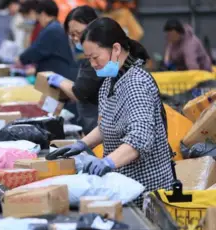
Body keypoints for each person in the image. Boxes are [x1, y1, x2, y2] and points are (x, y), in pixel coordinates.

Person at [47, 17, 174, 208]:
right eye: (89, 59)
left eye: (95, 57)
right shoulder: (109, 80)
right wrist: (82, 144)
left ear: (115, 49)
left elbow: (140, 138)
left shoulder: (137, 83)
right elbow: (107, 123)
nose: (93, 64)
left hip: (146, 189)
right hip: (122, 185)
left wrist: (108, 162)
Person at [48, 5, 103, 134]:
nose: (76, 38)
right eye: (72, 34)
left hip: (100, 130)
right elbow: (87, 90)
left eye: (80, 33)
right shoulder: (86, 59)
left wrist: (59, 81)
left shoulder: (100, 59)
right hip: (91, 129)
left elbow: (81, 93)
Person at [17, 0, 78, 80]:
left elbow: (36, 50)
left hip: (60, 76)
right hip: (60, 74)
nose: (38, 20)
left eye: (38, 16)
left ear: (43, 14)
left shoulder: (52, 30)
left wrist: (20, 59)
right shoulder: (56, 27)